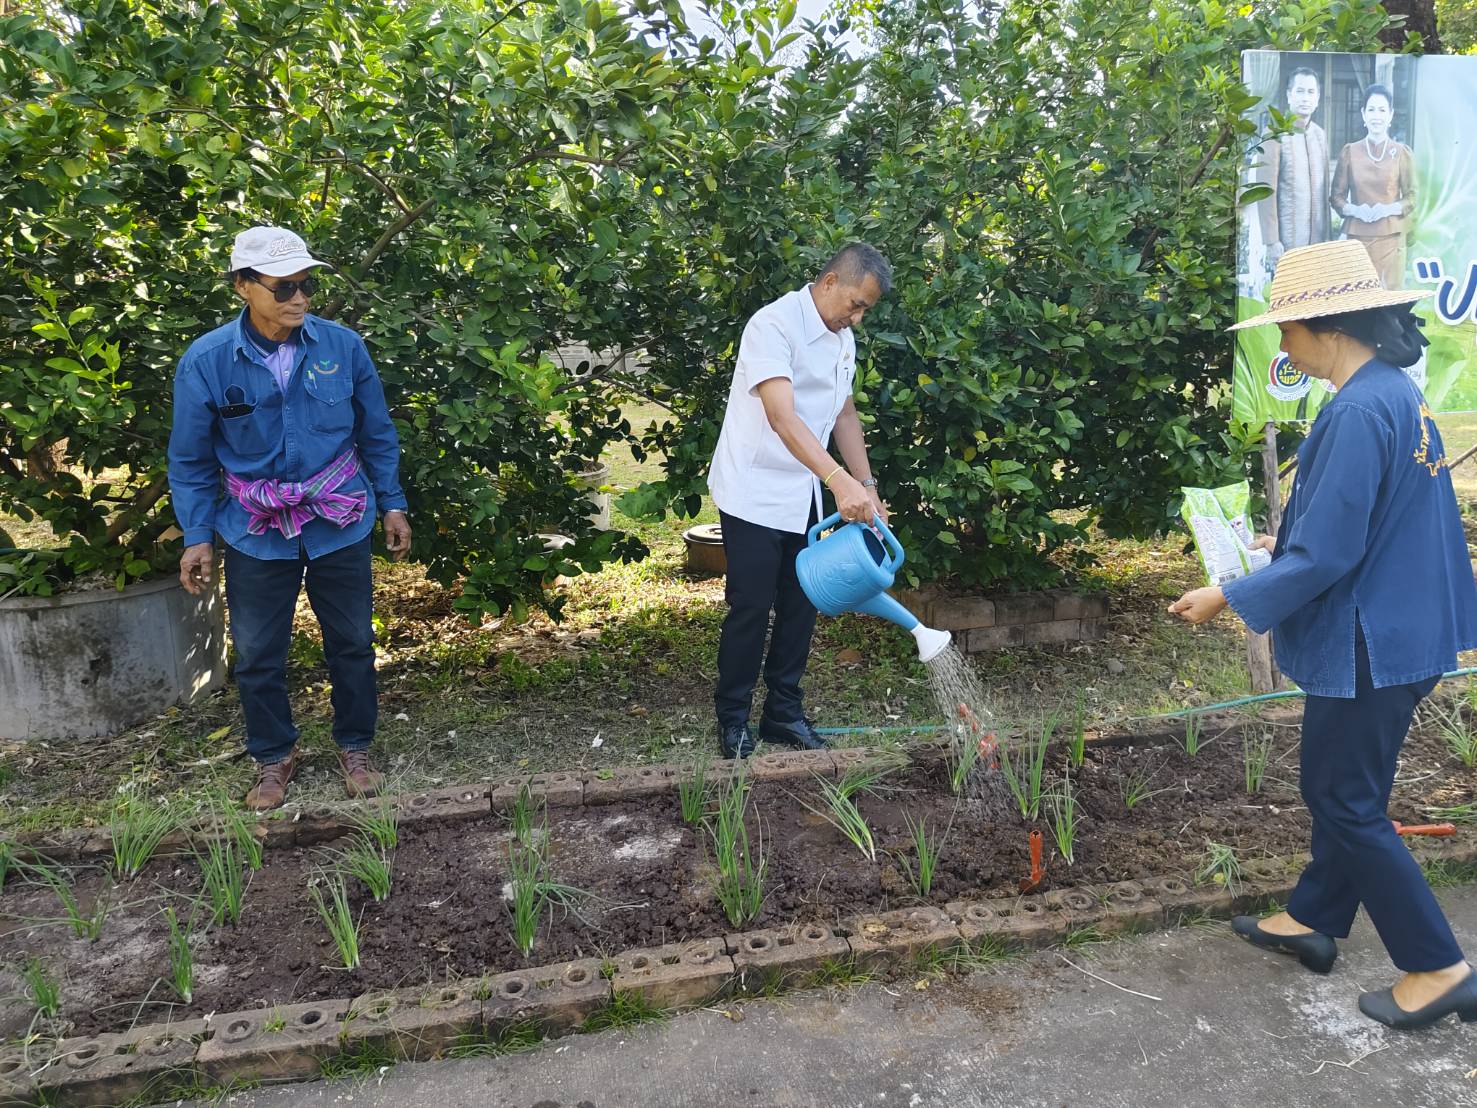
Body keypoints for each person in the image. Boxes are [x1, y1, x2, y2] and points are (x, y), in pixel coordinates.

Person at [1170, 239, 1477, 1030]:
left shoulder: (1354, 410)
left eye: (1287, 329)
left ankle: (1436, 965)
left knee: (1339, 797)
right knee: (1353, 792)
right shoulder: (1392, 394)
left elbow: (1334, 552)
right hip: (1403, 626)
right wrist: (1280, 549)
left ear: (1326, 325)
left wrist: (1229, 592)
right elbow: (1367, 524)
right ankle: (1313, 918)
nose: (1280, 344)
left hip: (1371, 639)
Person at [168, 226, 412, 811]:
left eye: (306, 285)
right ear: (243, 288)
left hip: (339, 517)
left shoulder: (342, 347)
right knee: (256, 653)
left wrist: (392, 501)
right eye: (284, 287)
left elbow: (376, 431)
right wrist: (197, 535)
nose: (300, 299)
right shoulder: (206, 361)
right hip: (253, 530)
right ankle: (274, 757)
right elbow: (190, 458)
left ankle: (355, 747)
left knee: (352, 642)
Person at [706, 244, 891, 759]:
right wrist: (839, 480)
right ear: (829, 282)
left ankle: (783, 714)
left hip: (808, 488)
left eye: (864, 312)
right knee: (751, 606)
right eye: (854, 304)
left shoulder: (842, 338)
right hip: (755, 489)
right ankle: (734, 718)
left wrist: (867, 485)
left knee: (802, 601)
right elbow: (782, 417)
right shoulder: (773, 326)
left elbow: (845, 414)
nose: (855, 318)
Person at [1330, 83, 1415, 290]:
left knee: (1389, 300)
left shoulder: (1401, 152)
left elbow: (1412, 197)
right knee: (1359, 297)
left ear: (1391, 115)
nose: (1376, 116)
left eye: (1382, 110)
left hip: (1392, 238)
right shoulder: (1350, 151)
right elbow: (1336, 197)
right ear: (1363, 114)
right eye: (1371, 109)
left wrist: (1387, 209)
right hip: (1357, 238)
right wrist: (1356, 210)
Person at [1255, 67, 1330, 274]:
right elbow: (1264, 190)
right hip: (1287, 243)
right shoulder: (1274, 134)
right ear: (1289, 95)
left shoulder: (1319, 135)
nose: (1305, 98)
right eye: (1300, 91)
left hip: (1318, 241)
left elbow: (1324, 193)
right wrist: (1272, 241)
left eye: (1310, 92)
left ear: (1317, 98)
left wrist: (1327, 238)